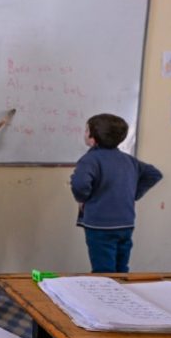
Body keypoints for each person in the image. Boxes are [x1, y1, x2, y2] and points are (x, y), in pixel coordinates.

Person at [70, 113, 163, 273]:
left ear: (93, 138)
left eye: (86, 130)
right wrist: (134, 193)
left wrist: (83, 198)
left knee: (103, 270)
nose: (84, 133)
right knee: (121, 269)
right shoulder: (129, 160)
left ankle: (107, 297)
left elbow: (79, 183)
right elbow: (154, 174)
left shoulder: (90, 160)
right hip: (126, 223)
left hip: (100, 225)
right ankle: (121, 296)